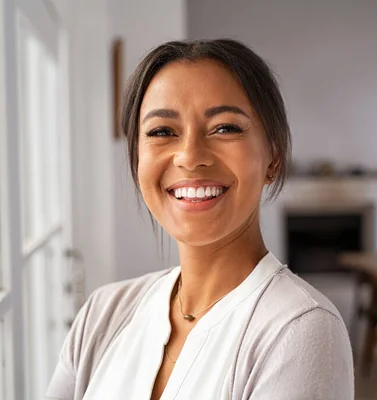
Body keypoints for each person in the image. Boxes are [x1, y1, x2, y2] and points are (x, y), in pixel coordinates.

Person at [45, 39, 354, 400]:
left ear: (273, 156)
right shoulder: (103, 314)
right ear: (136, 161)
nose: (190, 157)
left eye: (225, 128)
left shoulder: (299, 329)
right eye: (162, 132)